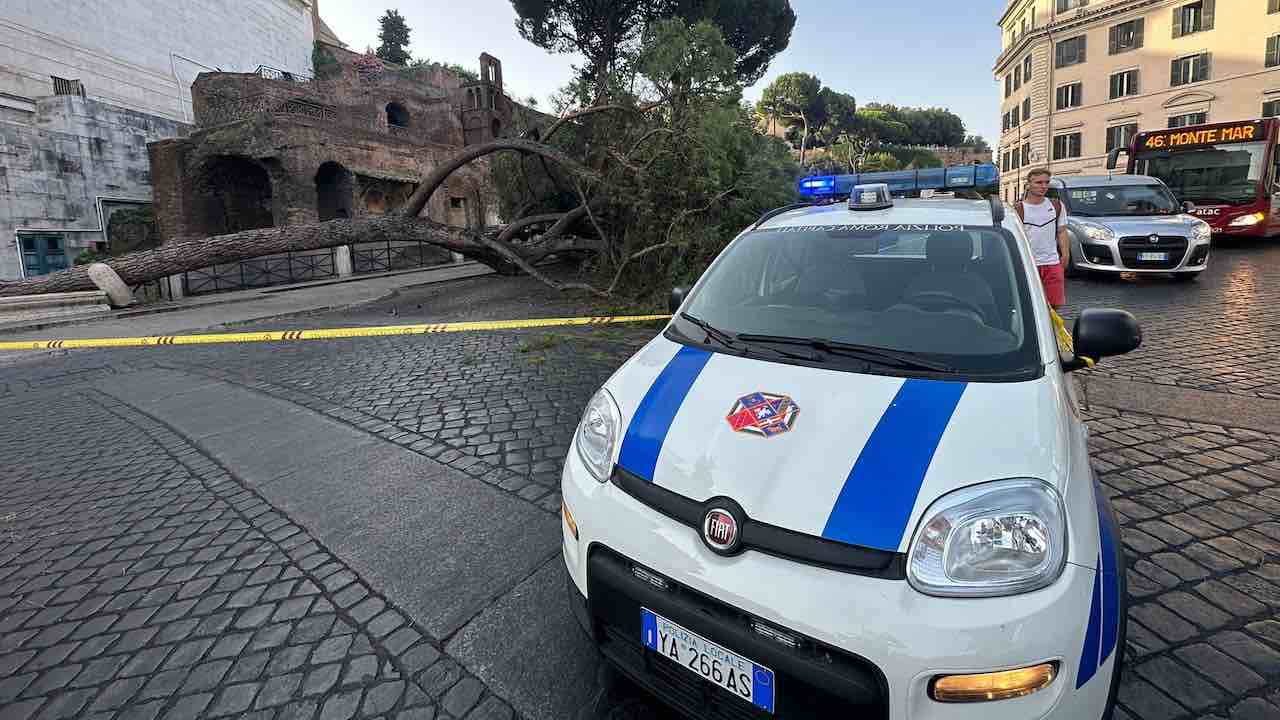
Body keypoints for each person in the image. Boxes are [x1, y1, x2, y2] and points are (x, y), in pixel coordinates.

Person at [1014, 168, 1070, 310]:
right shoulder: (1018, 209)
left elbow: (1062, 231)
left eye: (1046, 182)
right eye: (1039, 182)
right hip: (1027, 263)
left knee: (1055, 303)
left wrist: (1065, 254)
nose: (1043, 186)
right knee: (1027, 303)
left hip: (1051, 262)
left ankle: (1051, 330)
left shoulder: (1056, 205)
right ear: (1028, 184)